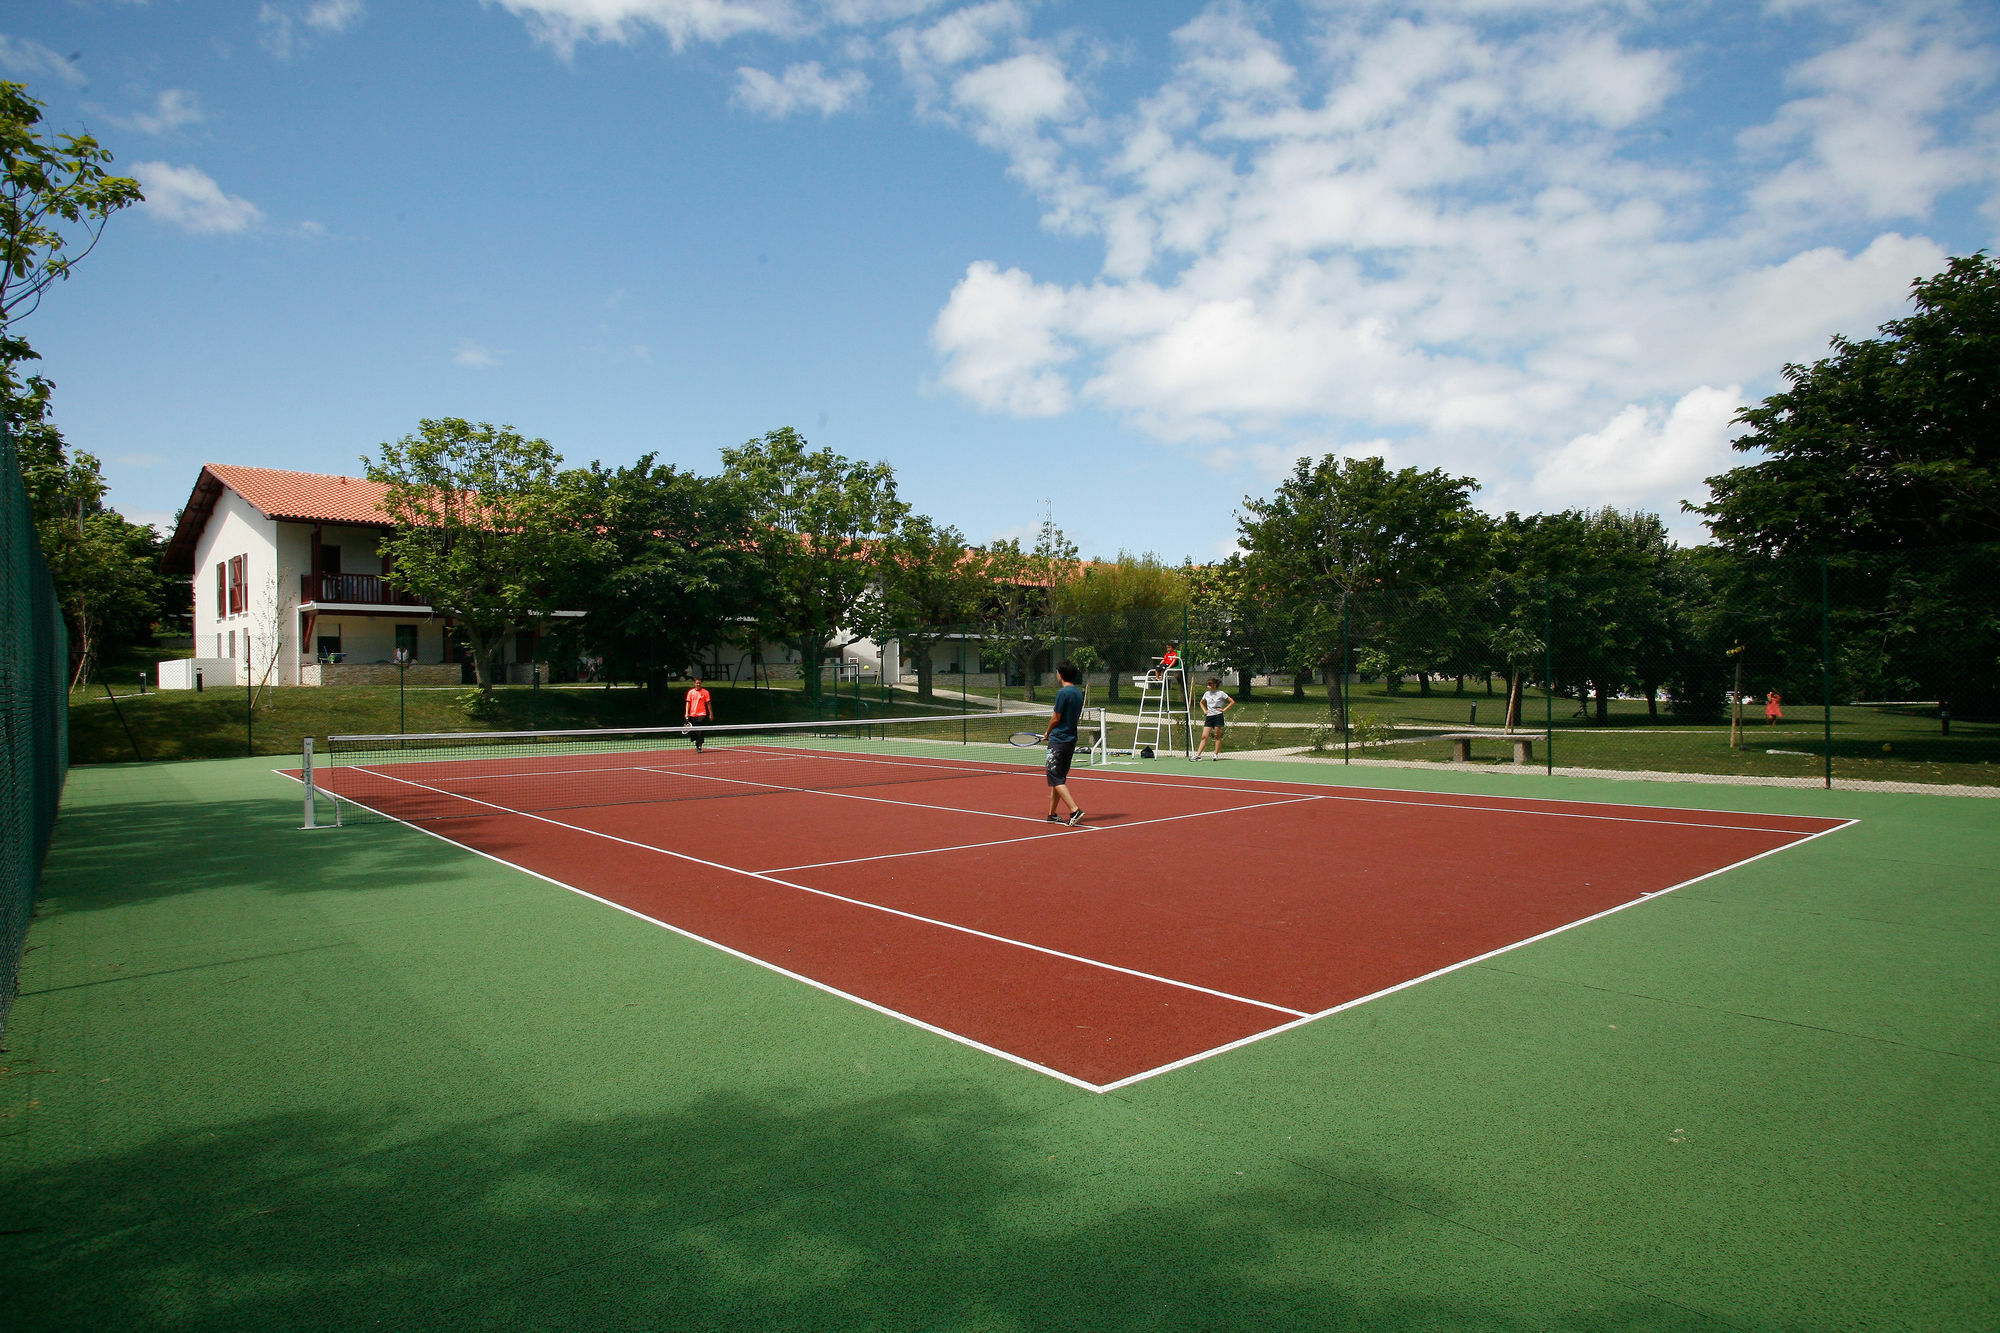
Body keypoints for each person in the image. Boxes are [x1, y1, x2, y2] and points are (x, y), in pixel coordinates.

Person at [1041, 660, 1087, 825]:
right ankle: (1052, 814)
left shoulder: (1063, 693)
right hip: (1070, 740)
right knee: (1058, 778)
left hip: (1059, 740)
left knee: (1055, 778)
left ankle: (1074, 810)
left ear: (1060, 674)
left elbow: (1056, 717)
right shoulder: (1078, 693)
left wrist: (1048, 732)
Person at [1195, 676, 1235, 759]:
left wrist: (1224, 709)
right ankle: (1198, 755)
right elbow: (1201, 703)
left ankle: (1215, 754)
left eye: (1210, 684)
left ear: (1214, 685)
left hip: (1218, 716)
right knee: (1204, 736)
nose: (1208, 686)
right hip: (1209, 717)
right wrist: (1205, 710)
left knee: (1217, 736)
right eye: (1207, 684)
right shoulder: (1206, 693)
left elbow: (1232, 702)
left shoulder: (1221, 693)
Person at [684, 674, 713, 751]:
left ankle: (699, 746)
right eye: (697, 683)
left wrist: (710, 713)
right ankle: (697, 745)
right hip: (692, 715)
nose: (698, 684)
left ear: (701, 684)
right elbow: (688, 703)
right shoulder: (690, 692)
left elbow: (708, 703)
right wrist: (686, 713)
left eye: (699, 683)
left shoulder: (705, 692)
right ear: (694, 683)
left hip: (702, 714)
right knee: (694, 732)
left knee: (700, 731)